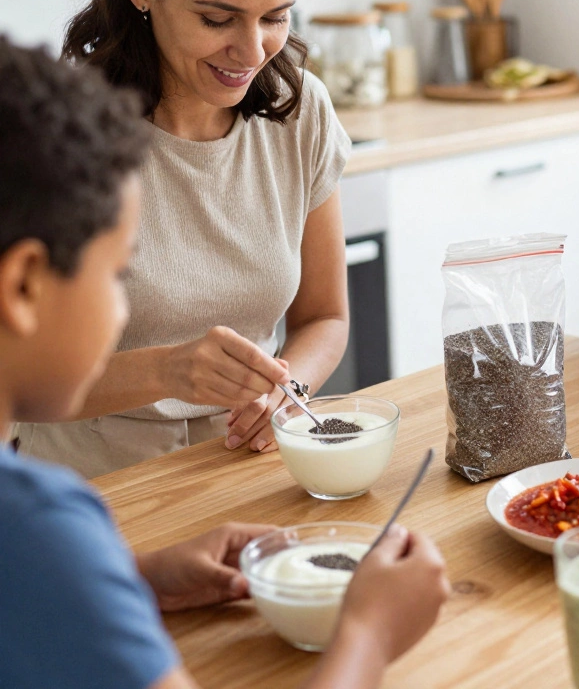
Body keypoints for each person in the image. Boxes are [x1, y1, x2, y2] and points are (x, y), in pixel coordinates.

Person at [0, 36, 450, 689]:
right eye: (116, 273)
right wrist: (367, 636)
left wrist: (129, 577)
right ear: (24, 287)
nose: (122, 311)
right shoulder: (37, 522)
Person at [14, 0, 351, 477]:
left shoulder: (299, 110)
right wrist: (165, 371)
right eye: (217, 19)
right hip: (93, 479)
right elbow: (14, 375)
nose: (254, 51)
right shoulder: (62, 134)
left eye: (276, 17)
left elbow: (325, 317)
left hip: (244, 465)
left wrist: (286, 392)